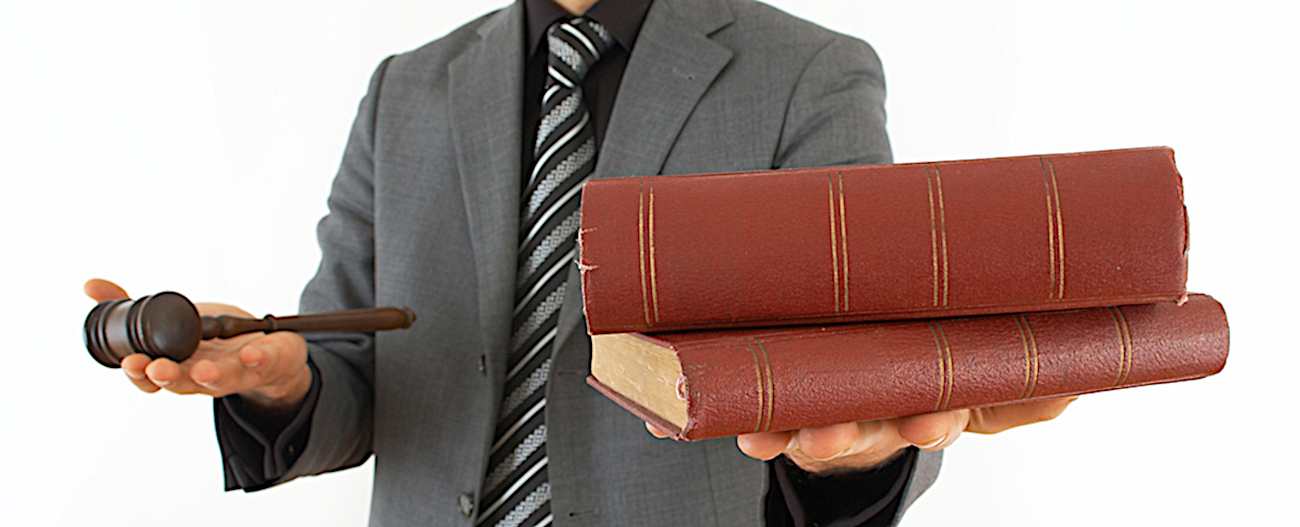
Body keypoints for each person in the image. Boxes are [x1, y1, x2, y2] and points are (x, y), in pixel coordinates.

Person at [86, 0, 1073, 525]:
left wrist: (863, 445)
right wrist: (272, 374)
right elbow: (351, 378)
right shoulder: (407, 88)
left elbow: (854, 379)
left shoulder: (807, 73)